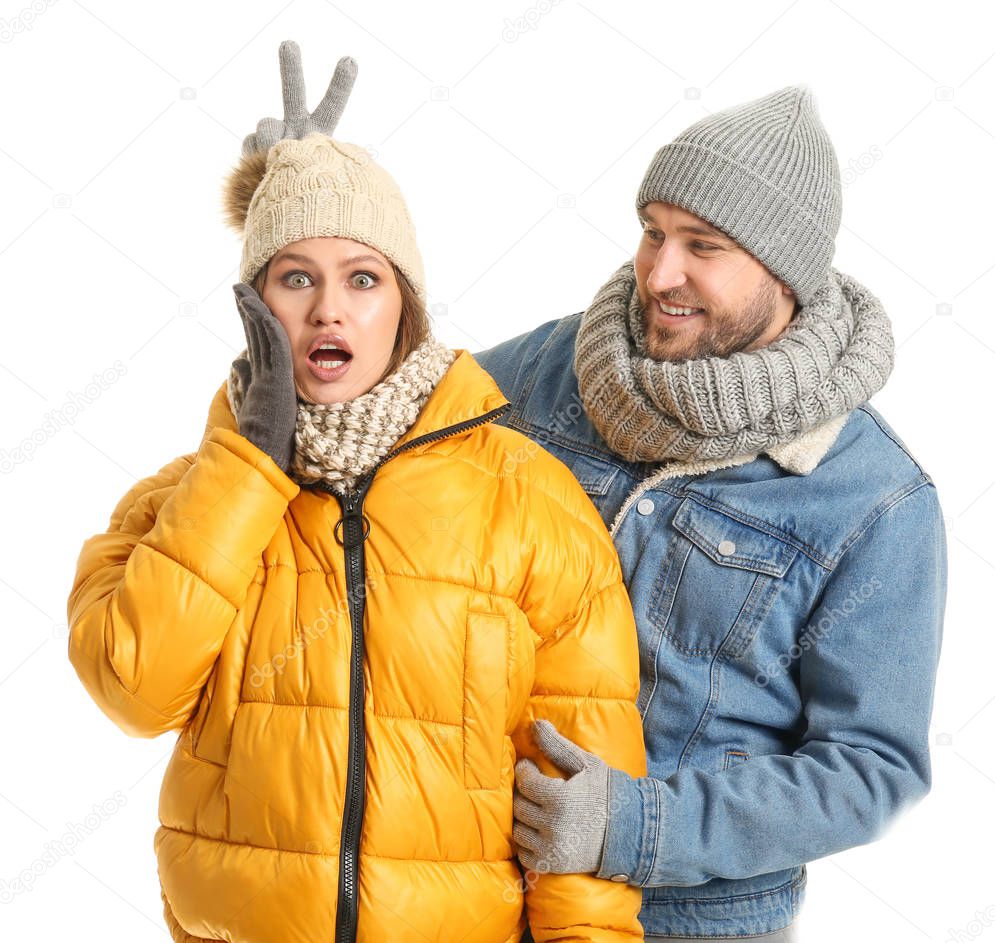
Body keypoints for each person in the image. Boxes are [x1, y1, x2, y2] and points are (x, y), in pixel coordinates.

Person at [66, 41, 646, 943]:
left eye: (362, 279)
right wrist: (248, 464)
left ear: (404, 307)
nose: (329, 309)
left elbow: (581, 789)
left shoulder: (529, 500)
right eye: (295, 278)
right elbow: (133, 689)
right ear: (255, 306)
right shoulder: (183, 501)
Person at [474, 85, 947, 941]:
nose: (658, 273)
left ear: (785, 275)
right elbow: (383, 411)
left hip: (685, 921)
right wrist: (306, 218)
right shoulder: (554, 367)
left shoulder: (873, 498)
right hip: (479, 883)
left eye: (704, 247)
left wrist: (638, 826)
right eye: (653, 230)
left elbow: (871, 767)